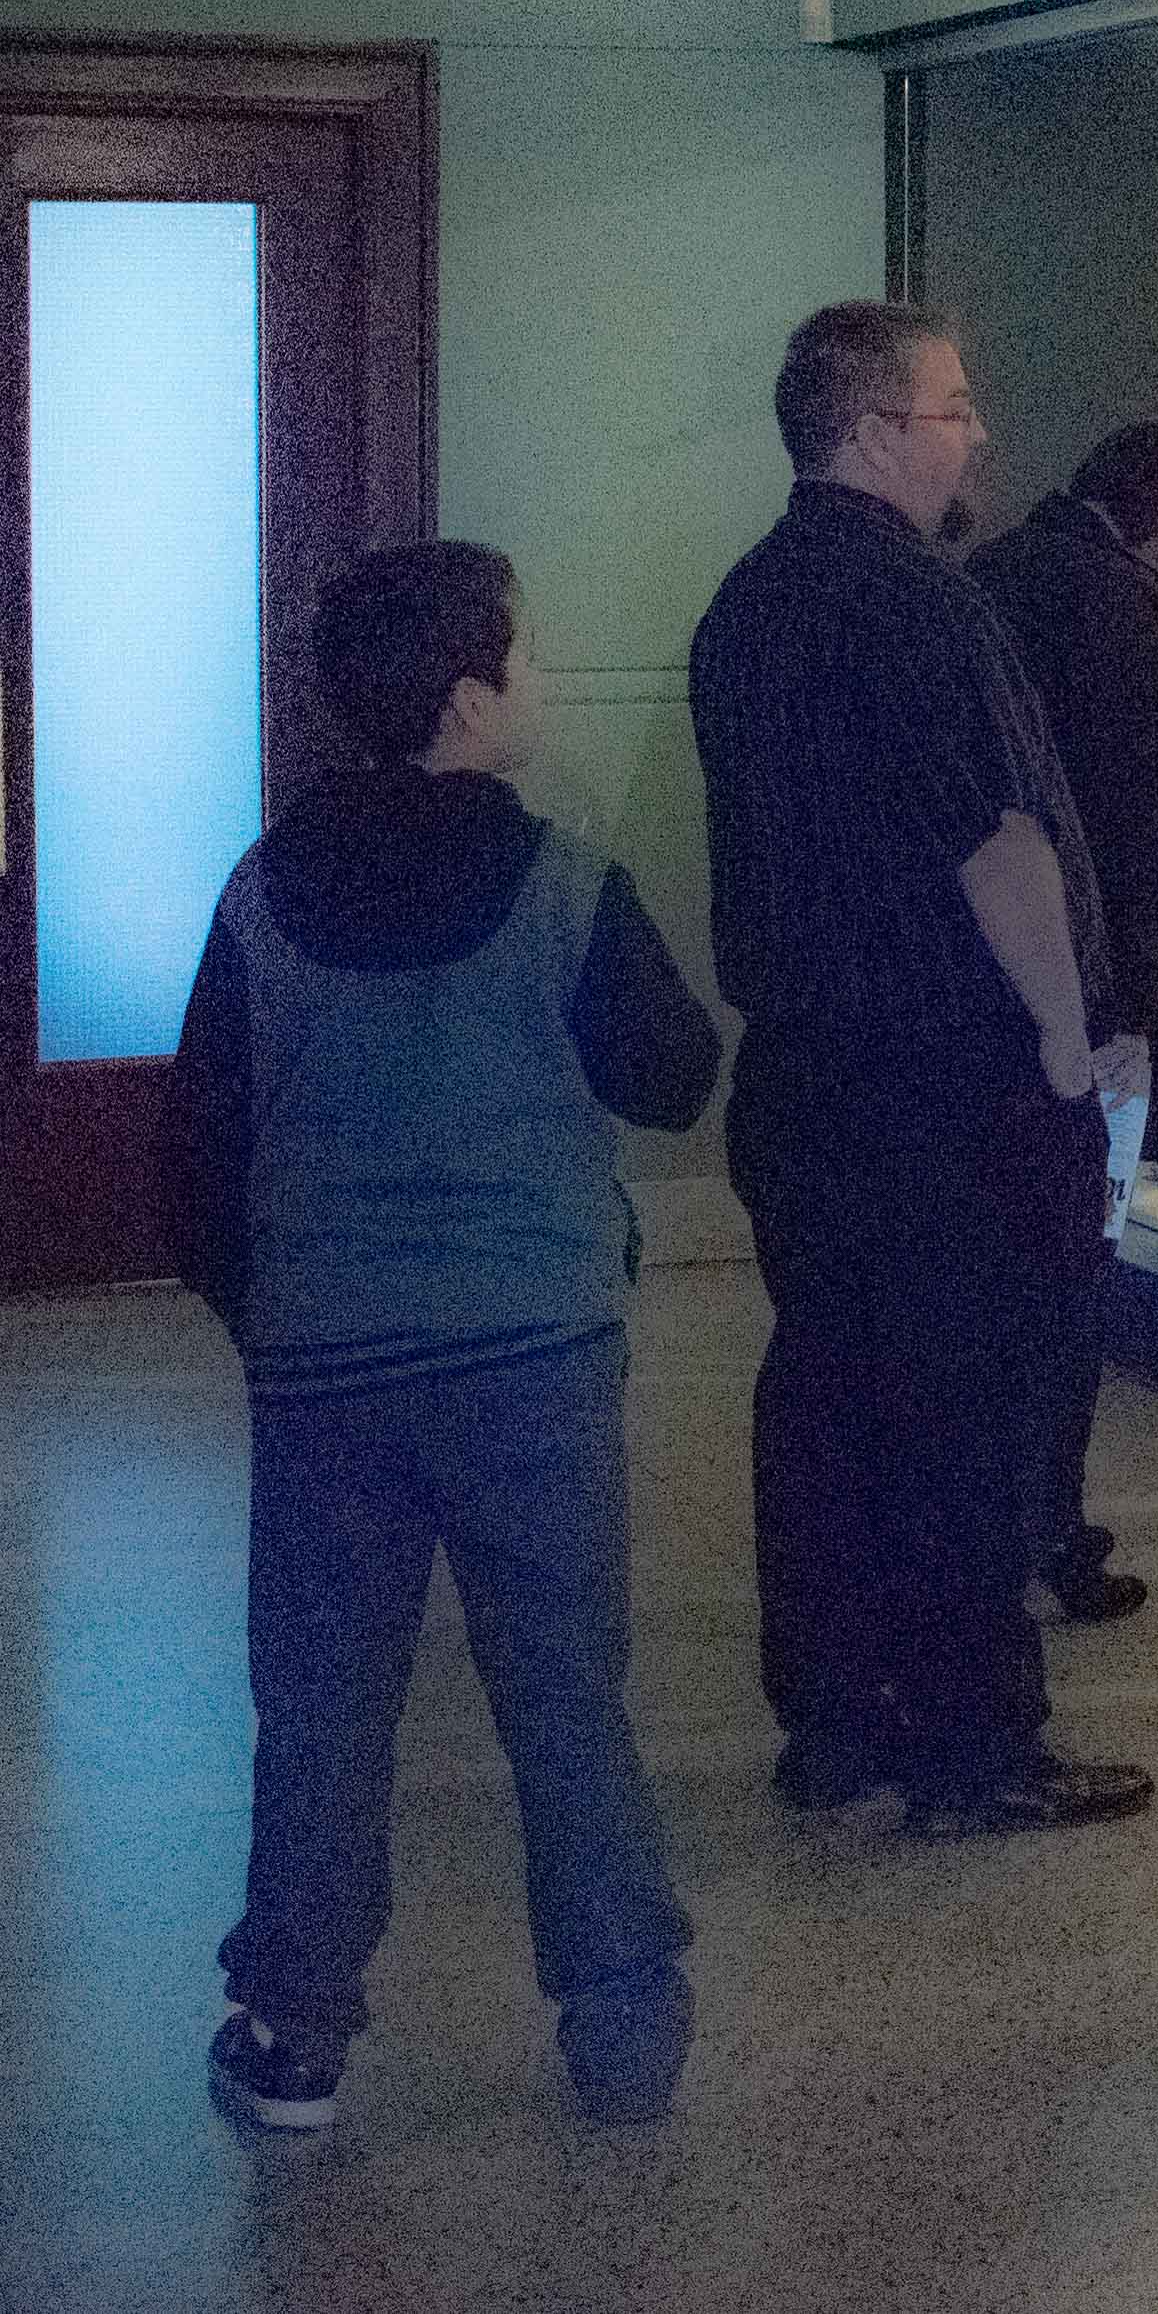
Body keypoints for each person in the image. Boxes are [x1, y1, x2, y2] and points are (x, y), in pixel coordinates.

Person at [165, 542, 723, 2133]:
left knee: (323, 1699)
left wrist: (274, 1310)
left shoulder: (259, 891)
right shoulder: (563, 881)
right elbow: (672, 1074)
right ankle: (621, 2021)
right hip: (535, 1350)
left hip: (327, 1364)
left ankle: (295, 2027)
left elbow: (196, 1158)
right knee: (564, 1687)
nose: (539, 678)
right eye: (527, 656)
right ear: (470, 699)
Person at [688, 301, 1154, 1838]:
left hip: (808, 1072)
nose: (977, 434)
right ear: (878, 426)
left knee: (828, 1400)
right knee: (965, 1413)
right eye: (953, 406)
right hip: (945, 1082)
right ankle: (970, 1743)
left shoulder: (747, 601)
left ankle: (836, 1722)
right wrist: (1060, 1045)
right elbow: (1000, 842)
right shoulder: (917, 601)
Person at [969, 414, 1158, 1625]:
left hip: (991, 981)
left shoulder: (997, 574)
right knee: (1077, 1266)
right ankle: (1050, 1531)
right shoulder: (1114, 605)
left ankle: (1015, 1524)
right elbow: (1132, 832)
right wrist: (1146, 1023)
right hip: (1089, 987)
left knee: (1008, 1279)